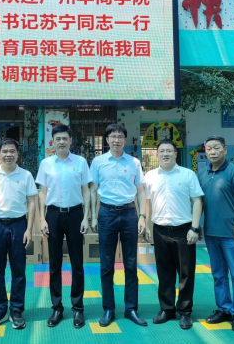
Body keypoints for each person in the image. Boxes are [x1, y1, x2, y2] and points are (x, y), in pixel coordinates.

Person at [89, 124, 147, 328]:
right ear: (106, 140)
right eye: (113, 136)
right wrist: (94, 216)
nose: (116, 140)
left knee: (131, 263)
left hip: (129, 213)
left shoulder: (134, 162)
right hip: (106, 214)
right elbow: (93, 190)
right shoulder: (98, 162)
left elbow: (141, 191)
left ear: (125, 139)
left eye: (120, 136)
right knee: (106, 264)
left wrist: (142, 216)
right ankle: (108, 309)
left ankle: (131, 308)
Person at [144, 139, 204, 330]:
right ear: (157, 154)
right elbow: (147, 202)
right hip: (159, 229)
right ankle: (167, 309)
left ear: (176, 154)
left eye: (169, 151)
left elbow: (198, 201)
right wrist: (147, 225)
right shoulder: (150, 176)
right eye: (162, 151)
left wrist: (194, 228)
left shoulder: (187, 174)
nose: (166, 154)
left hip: (183, 230)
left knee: (186, 273)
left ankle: (185, 312)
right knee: (164, 272)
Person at [0, 138, 38, 330]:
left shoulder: (26, 175)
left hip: (19, 225)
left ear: (18, 154)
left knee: (18, 270)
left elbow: (32, 202)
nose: (8, 154)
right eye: (4, 151)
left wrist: (29, 229)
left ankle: (16, 311)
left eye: (12, 151)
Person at [37, 124, 91, 329]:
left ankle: (78, 308)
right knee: (54, 264)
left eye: (64, 138)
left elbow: (86, 190)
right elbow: (42, 192)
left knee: (77, 263)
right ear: (53, 142)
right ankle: (57, 308)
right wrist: (42, 219)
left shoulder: (81, 162)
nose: (61, 142)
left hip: (76, 214)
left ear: (70, 140)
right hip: (53, 215)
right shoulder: (46, 164)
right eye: (58, 139)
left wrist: (86, 217)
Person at [198, 135, 234, 333]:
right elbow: (198, 202)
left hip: (231, 234)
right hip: (211, 234)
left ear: (225, 150)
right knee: (218, 274)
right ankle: (224, 309)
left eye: (216, 148)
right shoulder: (202, 174)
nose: (212, 151)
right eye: (208, 148)